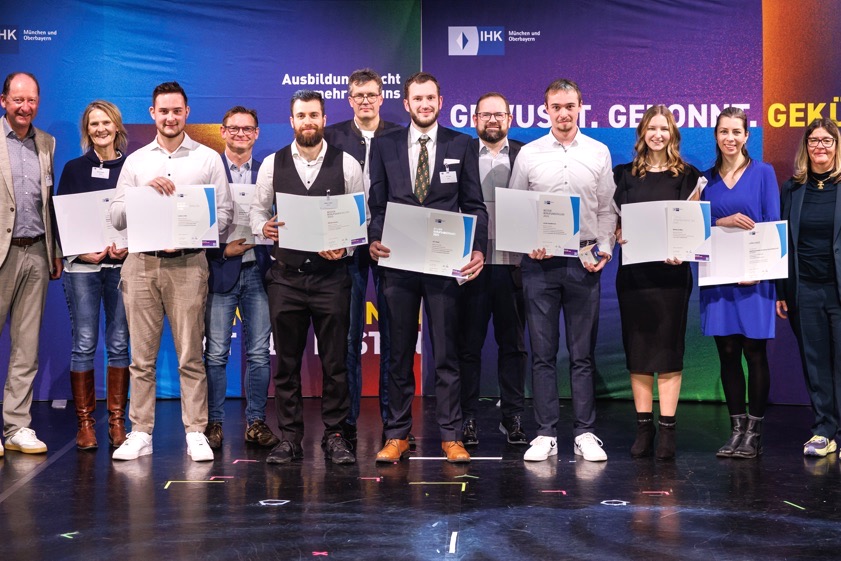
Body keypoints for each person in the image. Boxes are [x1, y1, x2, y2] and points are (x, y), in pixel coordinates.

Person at [109, 81, 232, 462]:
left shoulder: (208, 158)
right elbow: (115, 216)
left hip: (189, 264)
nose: (170, 117)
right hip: (142, 264)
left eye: (176, 110)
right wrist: (143, 192)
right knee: (140, 358)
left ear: (187, 113)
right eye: (163, 111)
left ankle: (195, 430)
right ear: (152, 114)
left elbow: (225, 216)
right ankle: (140, 431)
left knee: (190, 355)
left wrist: (192, 229)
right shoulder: (136, 161)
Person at [368, 71, 487, 464]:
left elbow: (474, 206)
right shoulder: (384, 145)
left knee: (447, 354)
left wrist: (478, 249)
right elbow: (377, 206)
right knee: (398, 353)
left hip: (444, 264)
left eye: (430, 98)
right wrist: (373, 237)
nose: (423, 104)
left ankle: (451, 436)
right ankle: (397, 434)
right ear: (405, 103)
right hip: (397, 265)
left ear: (440, 101)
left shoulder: (462, 144)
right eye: (416, 98)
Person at [249, 89, 364, 465]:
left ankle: (335, 435)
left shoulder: (347, 164)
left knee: (336, 362)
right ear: (292, 121)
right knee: (286, 363)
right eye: (301, 116)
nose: (308, 122)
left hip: (332, 277)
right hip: (286, 277)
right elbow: (256, 212)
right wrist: (263, 227)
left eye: (314, 115)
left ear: (324, 119)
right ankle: (290, 438)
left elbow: (358, 222)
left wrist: (345, 248)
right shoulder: (272, 163)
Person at [509, 78, 617, 463]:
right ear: (546, 109)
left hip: (585, 262)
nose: (563, 113)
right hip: (539, 266)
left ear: (580, 106)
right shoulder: (530, 154)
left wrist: (604, 248)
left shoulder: (599, 152)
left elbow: (607, 209)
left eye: (570, 105)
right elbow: (515, 209)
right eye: (556, 106)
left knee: (582, 353)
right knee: (541, 352)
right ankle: (545, 432)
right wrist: (527, 241)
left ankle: (585, 432)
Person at [613, 105, 703, 460]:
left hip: (672, 276)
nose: (658, 135)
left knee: (667, 350)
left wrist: (683, 249)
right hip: (634, 276)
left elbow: (694, 226)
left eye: (664, 129)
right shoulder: (624, 175)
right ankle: (643, 426)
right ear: (642, 133)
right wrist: (616, 233)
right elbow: (613, 221)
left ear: (673, 134)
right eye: (652, 128)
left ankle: (667, 429)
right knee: (638, 351)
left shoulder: (688, 175)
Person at [323, 69, 400, 444]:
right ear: (349, 99)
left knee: (394, 335)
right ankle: (347, 422)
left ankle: (394, 424)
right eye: (358, 95)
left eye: (371, 94)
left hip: (390, 243)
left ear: (381, 97)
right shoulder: (331, 136)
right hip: (347, 246)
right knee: (348, 338)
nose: (365, 100)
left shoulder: (400, 135)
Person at [700, 106, 778, 459]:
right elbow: (695, 232)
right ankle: (736, 430)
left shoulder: (763, 173)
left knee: (754, 352)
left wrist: (761, 272)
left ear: (747, 136)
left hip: (754, 278)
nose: (729, 138)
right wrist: (723, 221)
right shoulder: (704, 180)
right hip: (718, 279)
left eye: (736, 132)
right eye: (723, 132)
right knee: (728, 354)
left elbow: (773, 225)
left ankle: (755, 433)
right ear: (715, 136)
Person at [56, 100, 130, 450]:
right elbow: (63, 221)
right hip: (82, 268)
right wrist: (78, 250)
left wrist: (126, 246)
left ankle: (117, 422)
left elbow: (141, 217)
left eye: (106, 123)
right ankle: (85, 424)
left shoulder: (132, 168)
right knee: (84, 344)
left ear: (117, 126)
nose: (100, 129)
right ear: (87, 130)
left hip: (120, 267)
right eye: (93, 124)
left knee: (118, 345)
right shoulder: (73, 168)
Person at [203, 106, 277, 450]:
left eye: (247, 129)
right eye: (234, 129)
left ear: (257, 133)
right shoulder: (207, 170)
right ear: (222, 131)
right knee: (216, 354)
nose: (240, 135)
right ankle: (213, 424)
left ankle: (256, 422)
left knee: (260, 353)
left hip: (260, 271)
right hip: (221, 269)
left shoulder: (269, 173)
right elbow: (194, 224)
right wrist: (220, 251)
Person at [458, 92, 528, 447]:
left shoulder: (526, 154)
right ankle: (466, 418)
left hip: (515, 265)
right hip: (472, 266)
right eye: (485, 115)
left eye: (499, 114)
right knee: (467, 347)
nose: (492, 121)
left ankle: (513, 417)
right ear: (475, 119)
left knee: (513, 347)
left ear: (509, 118)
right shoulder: (460, 153)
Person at [0, 72, 62, 456]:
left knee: (26, 347)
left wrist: (54, 250)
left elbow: (47, 202)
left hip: (37, 251)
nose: (25, 108)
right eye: (18, 100)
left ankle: (17, 426)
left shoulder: (47, 142)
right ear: (3, 100)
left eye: (32, 100)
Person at [777, 118, 841, 458]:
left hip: (839, 290)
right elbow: (781, 242)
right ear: (806, 147)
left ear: (836, 146)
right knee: (815, 363)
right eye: (814, 140)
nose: (820, 146)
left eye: (827, 141)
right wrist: (782, 290)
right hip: (805, 289)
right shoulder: (792, 188)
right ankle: (824, 431)